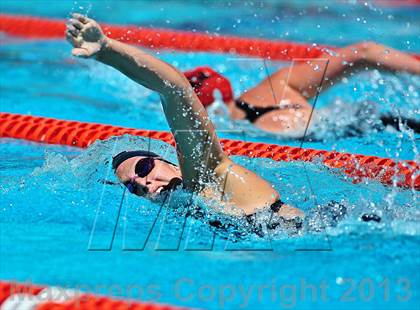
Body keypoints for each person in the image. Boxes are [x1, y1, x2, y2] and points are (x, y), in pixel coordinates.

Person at [66, 14, 304, 228]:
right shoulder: (191, 206)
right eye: (134, 188)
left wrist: (107, 50)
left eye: (143, 167)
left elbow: (175, 90)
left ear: (169, 162)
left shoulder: (209, 175)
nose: (146, 184)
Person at [184, 43, 420, 136]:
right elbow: (364, 52)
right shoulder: (274, 85)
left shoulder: (223, 133)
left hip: (365, 130)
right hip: (379, 122)